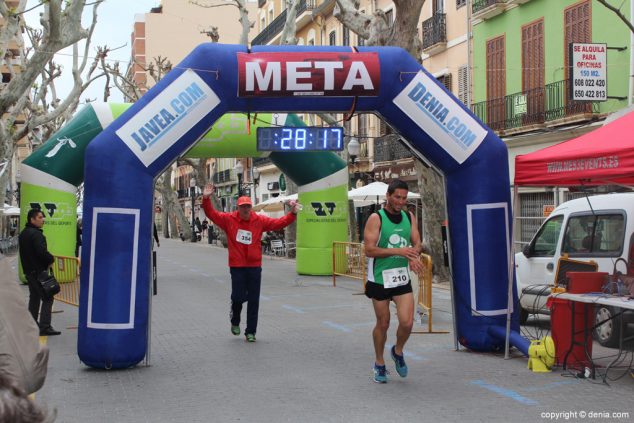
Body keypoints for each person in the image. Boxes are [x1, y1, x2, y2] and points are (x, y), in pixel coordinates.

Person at [202, 183, 300, 342]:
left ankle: (251, 331)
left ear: (251, 207)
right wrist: (206, 198)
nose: (245, 210)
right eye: (243, 207)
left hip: (254, 266)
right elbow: (212, 214)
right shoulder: (229, 219)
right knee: (238, 297)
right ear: (238, 208)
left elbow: (279, 223)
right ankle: (235, 320)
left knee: (254, 299)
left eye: (248, 206)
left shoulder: (259, 220)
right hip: (237, 266)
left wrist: (293, 214)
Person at [363, 179, 424, 383]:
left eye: (404, 198)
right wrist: (399, 251)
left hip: (400, 277)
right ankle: (379, 363)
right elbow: (369, 250)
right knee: (383, 323)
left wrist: (414, 255)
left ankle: (397, 351)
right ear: (388, 196)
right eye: (397, 197)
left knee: (407, 323)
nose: (400, 201)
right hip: (380, 278)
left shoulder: (409, 216)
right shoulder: (376, 218)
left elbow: (417, 242)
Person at [18, 209, 59, 336]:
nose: (43, 220)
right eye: (40, 217)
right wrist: (51, 258)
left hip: (29, 272)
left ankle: (32, 325)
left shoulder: (23, 234)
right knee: (48, 297)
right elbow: (41, 252)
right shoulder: (36, 235)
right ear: (32, 219)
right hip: (39, 271)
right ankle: (45, 327)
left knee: (34, 298)